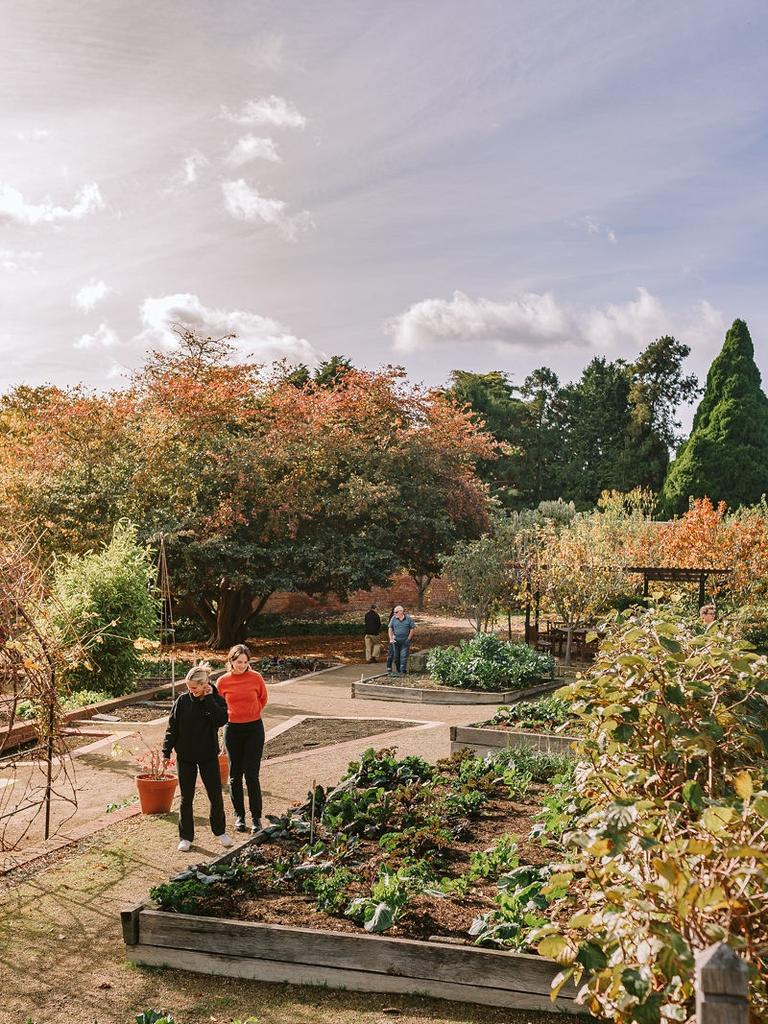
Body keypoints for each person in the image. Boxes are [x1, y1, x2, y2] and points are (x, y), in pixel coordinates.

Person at [162, 663, 231, 853]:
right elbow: (172, 728)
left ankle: (220, 831)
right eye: (188, 687)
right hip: (185, 757)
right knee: (186, 797)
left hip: (208, 755)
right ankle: (185, 837)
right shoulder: (182, 701)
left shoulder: (216, 699)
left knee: (215, 795)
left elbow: (220, 720)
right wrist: (166, 752)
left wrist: (208, 698)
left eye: (194, 687)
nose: (191, 691)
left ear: (204, 684)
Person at [216, 643, 269, 834]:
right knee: (234, 776)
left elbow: (263, 699)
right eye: (239, 662)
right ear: (231, 661)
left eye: (246, 662)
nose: (242, 665)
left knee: (252, 775)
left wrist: (251, 713)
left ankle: (256, 818)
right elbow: (218, 707)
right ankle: (240, 816)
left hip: (254, 729)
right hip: (232, 729)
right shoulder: (222, 682)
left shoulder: (256, 678)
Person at [388, 605, 415, 675]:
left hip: (405, 640)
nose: (394, 613)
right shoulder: (393, 618)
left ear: (401, 612)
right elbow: (390, 628)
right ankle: (398, 670)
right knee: (396, 657)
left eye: (396, 612)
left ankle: (402, 670)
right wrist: (391, 638)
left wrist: (408, 639)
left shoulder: (408, 619)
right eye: (394, 612)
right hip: (396, 640)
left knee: (403, 656)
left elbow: (412, 629)